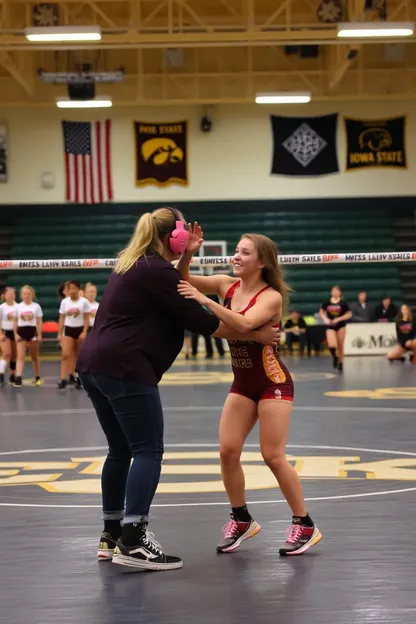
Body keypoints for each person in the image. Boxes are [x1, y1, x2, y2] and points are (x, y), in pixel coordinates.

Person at [76, 207, 279, 571]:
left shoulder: (133, 263)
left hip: (93, 365)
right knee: (148, 450)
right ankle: (134, 538)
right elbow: (207, 324)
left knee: (120, 450)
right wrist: (258, 334)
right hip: (125, 367)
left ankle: (110, 535)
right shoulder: (157, 272)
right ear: (175, 237)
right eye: (184, 233)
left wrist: (187, 258)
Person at [177, 227, 322, 557]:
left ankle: (305, 523)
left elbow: (242, 324)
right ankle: (241, 519)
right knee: (227, 451)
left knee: (272, 455)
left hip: (273, 382)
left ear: (261, 262)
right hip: (242, 383)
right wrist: (188, 252)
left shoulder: (271, 297)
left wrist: (203, 301)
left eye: (244, 252)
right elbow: (181, 278)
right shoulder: (225, 284)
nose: (236, 257)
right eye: (236, 251)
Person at [57, 280, 90, 390]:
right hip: (69, 329)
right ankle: (63, 379)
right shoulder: (65, 302)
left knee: (78, 356)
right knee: (65, 354)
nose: (72, 290)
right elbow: (62, 318)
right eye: (69, 288)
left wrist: (84, 331)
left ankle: (78, 378)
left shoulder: (84, 302)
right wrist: (59, 333)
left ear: (78, 289)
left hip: (79, 329)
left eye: (74, 288)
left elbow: (86, 318)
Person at [13, 285, 43, 387]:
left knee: (34, 357)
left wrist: (39, 334)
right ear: (21, 295)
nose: (27, 295)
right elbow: (15, 322)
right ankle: (18, 377)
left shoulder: (36, 306)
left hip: (32, 332)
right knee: (20, 356)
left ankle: (37, 376)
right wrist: (16, 334)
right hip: (21, 331)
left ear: (32, 295)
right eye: (25, 294)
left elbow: (39, 322)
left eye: (28, 294)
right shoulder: (18, 307)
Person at [319, 286, 352, 372]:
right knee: (332, 345)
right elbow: (321, 311)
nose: (335, 292)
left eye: (337, 291)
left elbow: (349, 314)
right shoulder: (327, 302)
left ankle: (340, 362)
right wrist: (325, 319)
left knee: (340, 345)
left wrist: (339, 318)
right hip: (330, 326)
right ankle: (335, 357)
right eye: (333, 291)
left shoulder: (343, 303)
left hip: (341, 325)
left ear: (340, 293)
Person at [0, 287, 18, 384]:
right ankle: (1, 373)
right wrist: (0, 334)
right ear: (4, 296)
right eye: (9, 294)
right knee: (6, 353)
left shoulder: (18, 307)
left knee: (14, 355)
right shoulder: (2, 307)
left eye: (12, 294)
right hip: (5, 332)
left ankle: (12, 374)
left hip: (15, 333)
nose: (11, 296)